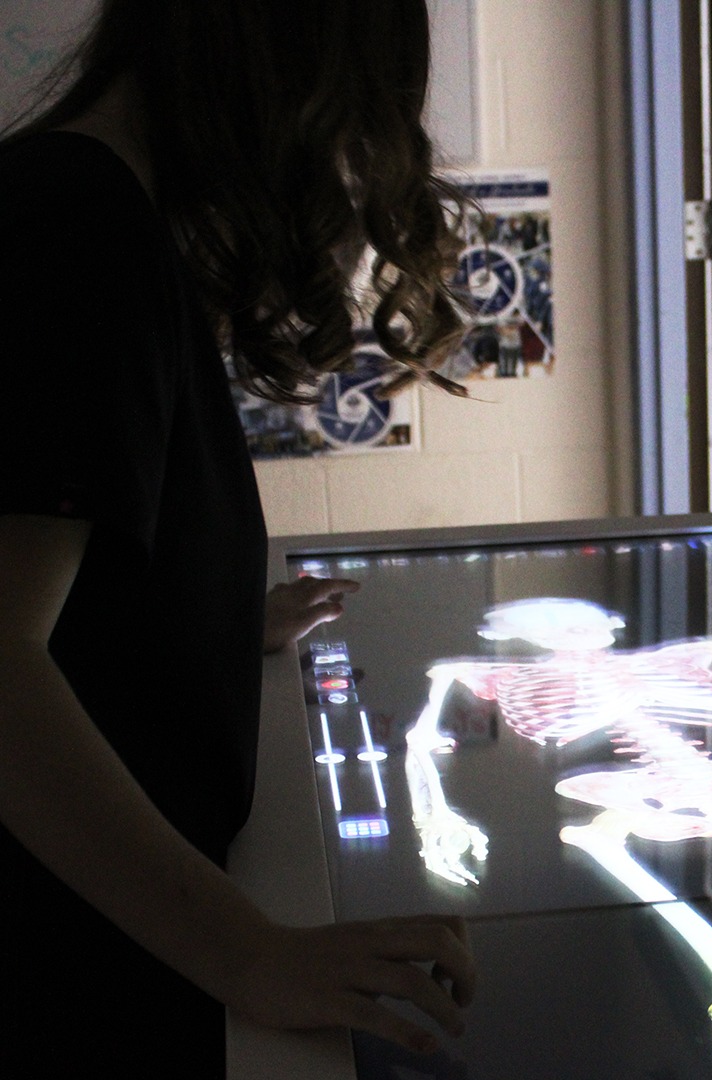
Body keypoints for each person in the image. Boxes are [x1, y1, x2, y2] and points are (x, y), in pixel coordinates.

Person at [0, 1, 475, 1074]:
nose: (342, 177)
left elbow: (74, 593)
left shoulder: (102, 215)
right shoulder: (75, 222)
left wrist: (207, 618)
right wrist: (253, 955)